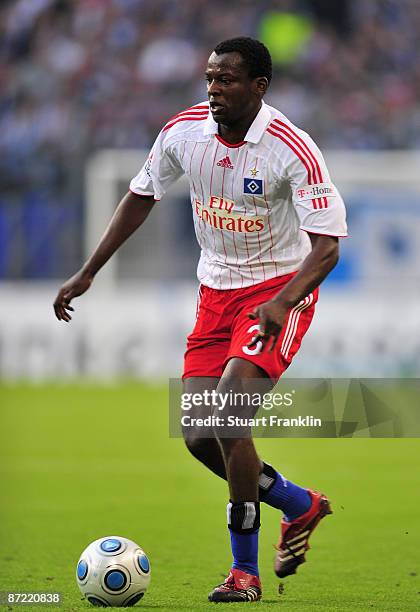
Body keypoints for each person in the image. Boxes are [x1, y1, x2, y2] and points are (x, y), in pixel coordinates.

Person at [54, 37, 347, 603]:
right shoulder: (183, 133)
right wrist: (89, 270)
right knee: (197, 436)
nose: (213, 89)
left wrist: (284, 302)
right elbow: (141, 195)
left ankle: (245, 573)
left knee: (231, 417)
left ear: (259, 87)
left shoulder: (292, 149)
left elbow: (327, 248)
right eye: (210, 79)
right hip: (214, 292)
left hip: (276, 291)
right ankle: (297, 503)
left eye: (227, 80)